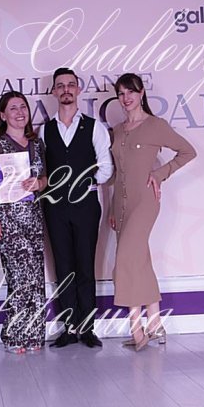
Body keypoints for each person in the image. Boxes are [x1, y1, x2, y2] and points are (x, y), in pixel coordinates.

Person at [109, 73, 197, 350]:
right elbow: (118, 174)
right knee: (140, 260)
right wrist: (112, 207)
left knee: (125, 258)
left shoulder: (155, 125)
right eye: (121, 93)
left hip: (146, 200)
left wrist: (160, 174)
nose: (126, 98)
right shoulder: (118, 130)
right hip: (121, 204)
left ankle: (137, 329)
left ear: (141, 93)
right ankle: (156, 323)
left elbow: (188, 151)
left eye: (130, 92)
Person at [40, 67, 114, 349]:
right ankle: (69, 328)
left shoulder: (94, 127)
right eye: (60, 86)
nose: (66, 90)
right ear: (54, 91)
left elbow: (106, 167)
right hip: (55, 207)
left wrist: (85, 182)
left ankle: (87, 328)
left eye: (70, 85)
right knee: (63, 266)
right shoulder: (45, 130)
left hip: (85, 206)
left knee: (85, 265)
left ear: (78, 90)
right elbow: (42, 168)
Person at [0, 91, 48, 354]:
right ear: (3, 115)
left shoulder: (36, 144)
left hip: (33, 216)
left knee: (35, 275)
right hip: (7, 217)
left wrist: (38, 183)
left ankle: (34, 334)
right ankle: (14, 334)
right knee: (19, 275)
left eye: (23, 107)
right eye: (13, 108)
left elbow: (45, 178)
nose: (20, 112)